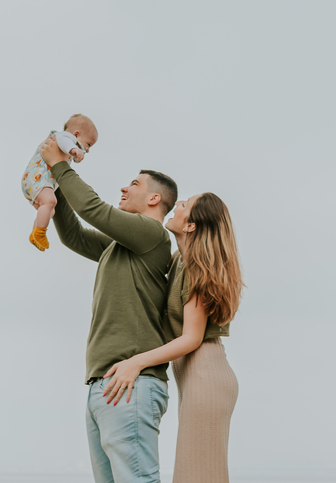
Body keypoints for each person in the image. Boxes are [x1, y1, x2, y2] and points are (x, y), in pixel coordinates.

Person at [39, 136, 177, 483]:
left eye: (134, 183)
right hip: (105, 384)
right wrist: (53, 191)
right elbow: (74, 235)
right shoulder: (121, 246)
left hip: (131, 384)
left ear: (154, 198)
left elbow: (94, 211)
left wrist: (60, 164)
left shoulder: (151, 235)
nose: (124, 187)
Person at [100, 193, 244, 483]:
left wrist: (135, 362)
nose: (176, 206)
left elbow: (191, 338)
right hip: (195, 376)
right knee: (198, 473)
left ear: (190, 225)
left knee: (198, 475)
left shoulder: (196, 266)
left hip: (206, 374)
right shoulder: (178, 260)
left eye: (183, 205)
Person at [21, 114, 98, 250]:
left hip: (34, 183)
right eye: (88, 144)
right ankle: (40, 233)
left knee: (49, 211)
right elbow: (65, 142)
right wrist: (74, 149)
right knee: (51, 202)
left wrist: (75, 154)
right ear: (76, 134)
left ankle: (34, 233)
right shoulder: (62, 137)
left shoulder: (66, 144)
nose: (87, 149)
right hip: (37, 178)